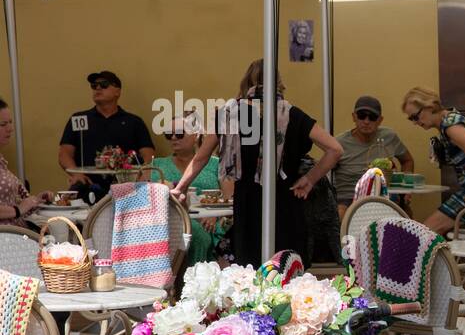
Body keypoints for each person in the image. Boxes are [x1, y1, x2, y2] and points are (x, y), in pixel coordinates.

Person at [170, 59, 341, 268]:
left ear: (246, 81)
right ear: (278, 82)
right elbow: (335, 149)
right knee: (286, 271)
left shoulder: (228, 115)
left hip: (247, 206)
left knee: (248, 272)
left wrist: (181, 187)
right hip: (286, 204)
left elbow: (201, 157)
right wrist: (310, 179)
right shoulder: (292, 114)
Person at [402, 87, 465, 235]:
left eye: (415, 117)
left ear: (430, 106)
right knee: (427, 232)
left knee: (423, 233)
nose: (415, 122)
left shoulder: (451, 126)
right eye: (411, 119)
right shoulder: (449, 120)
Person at [59, 70, 155, 203]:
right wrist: (76, 173)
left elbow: (148, 156)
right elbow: (64, 154)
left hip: (125, 190)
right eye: (94, 85)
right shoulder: (79, 118)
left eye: (104, 84)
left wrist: (141, 177)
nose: (98, 88)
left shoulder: (134, 122)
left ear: (117, 91)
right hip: (87, 187)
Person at [155, 113, 233, 265]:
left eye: (179, 133)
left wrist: (215, 215)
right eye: (168, 134)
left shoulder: (216, 164)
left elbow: (230, 198)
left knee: (197, 235)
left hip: (208, 223)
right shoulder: (157, 165)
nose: (173, 138)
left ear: (196, 135)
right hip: (167, 221)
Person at [334, 95, 414, 218]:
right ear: (354, 117)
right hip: (349, 197)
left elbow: (407, 160)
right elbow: (325, 170)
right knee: (341, 215)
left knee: (405, 218)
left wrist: (406, 187)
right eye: (362, 116)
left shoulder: (389, 137)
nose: (366, 121)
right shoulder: (339, 143)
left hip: (383, 196)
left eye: (372, 117)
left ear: (380, 120)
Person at [0, 98, 50, 226]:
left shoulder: (2, 162)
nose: (10, 128)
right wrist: (17, 210)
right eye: (3, 124)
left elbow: (12, 201)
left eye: (10, 122)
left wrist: (35, 200)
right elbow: (18, 209)